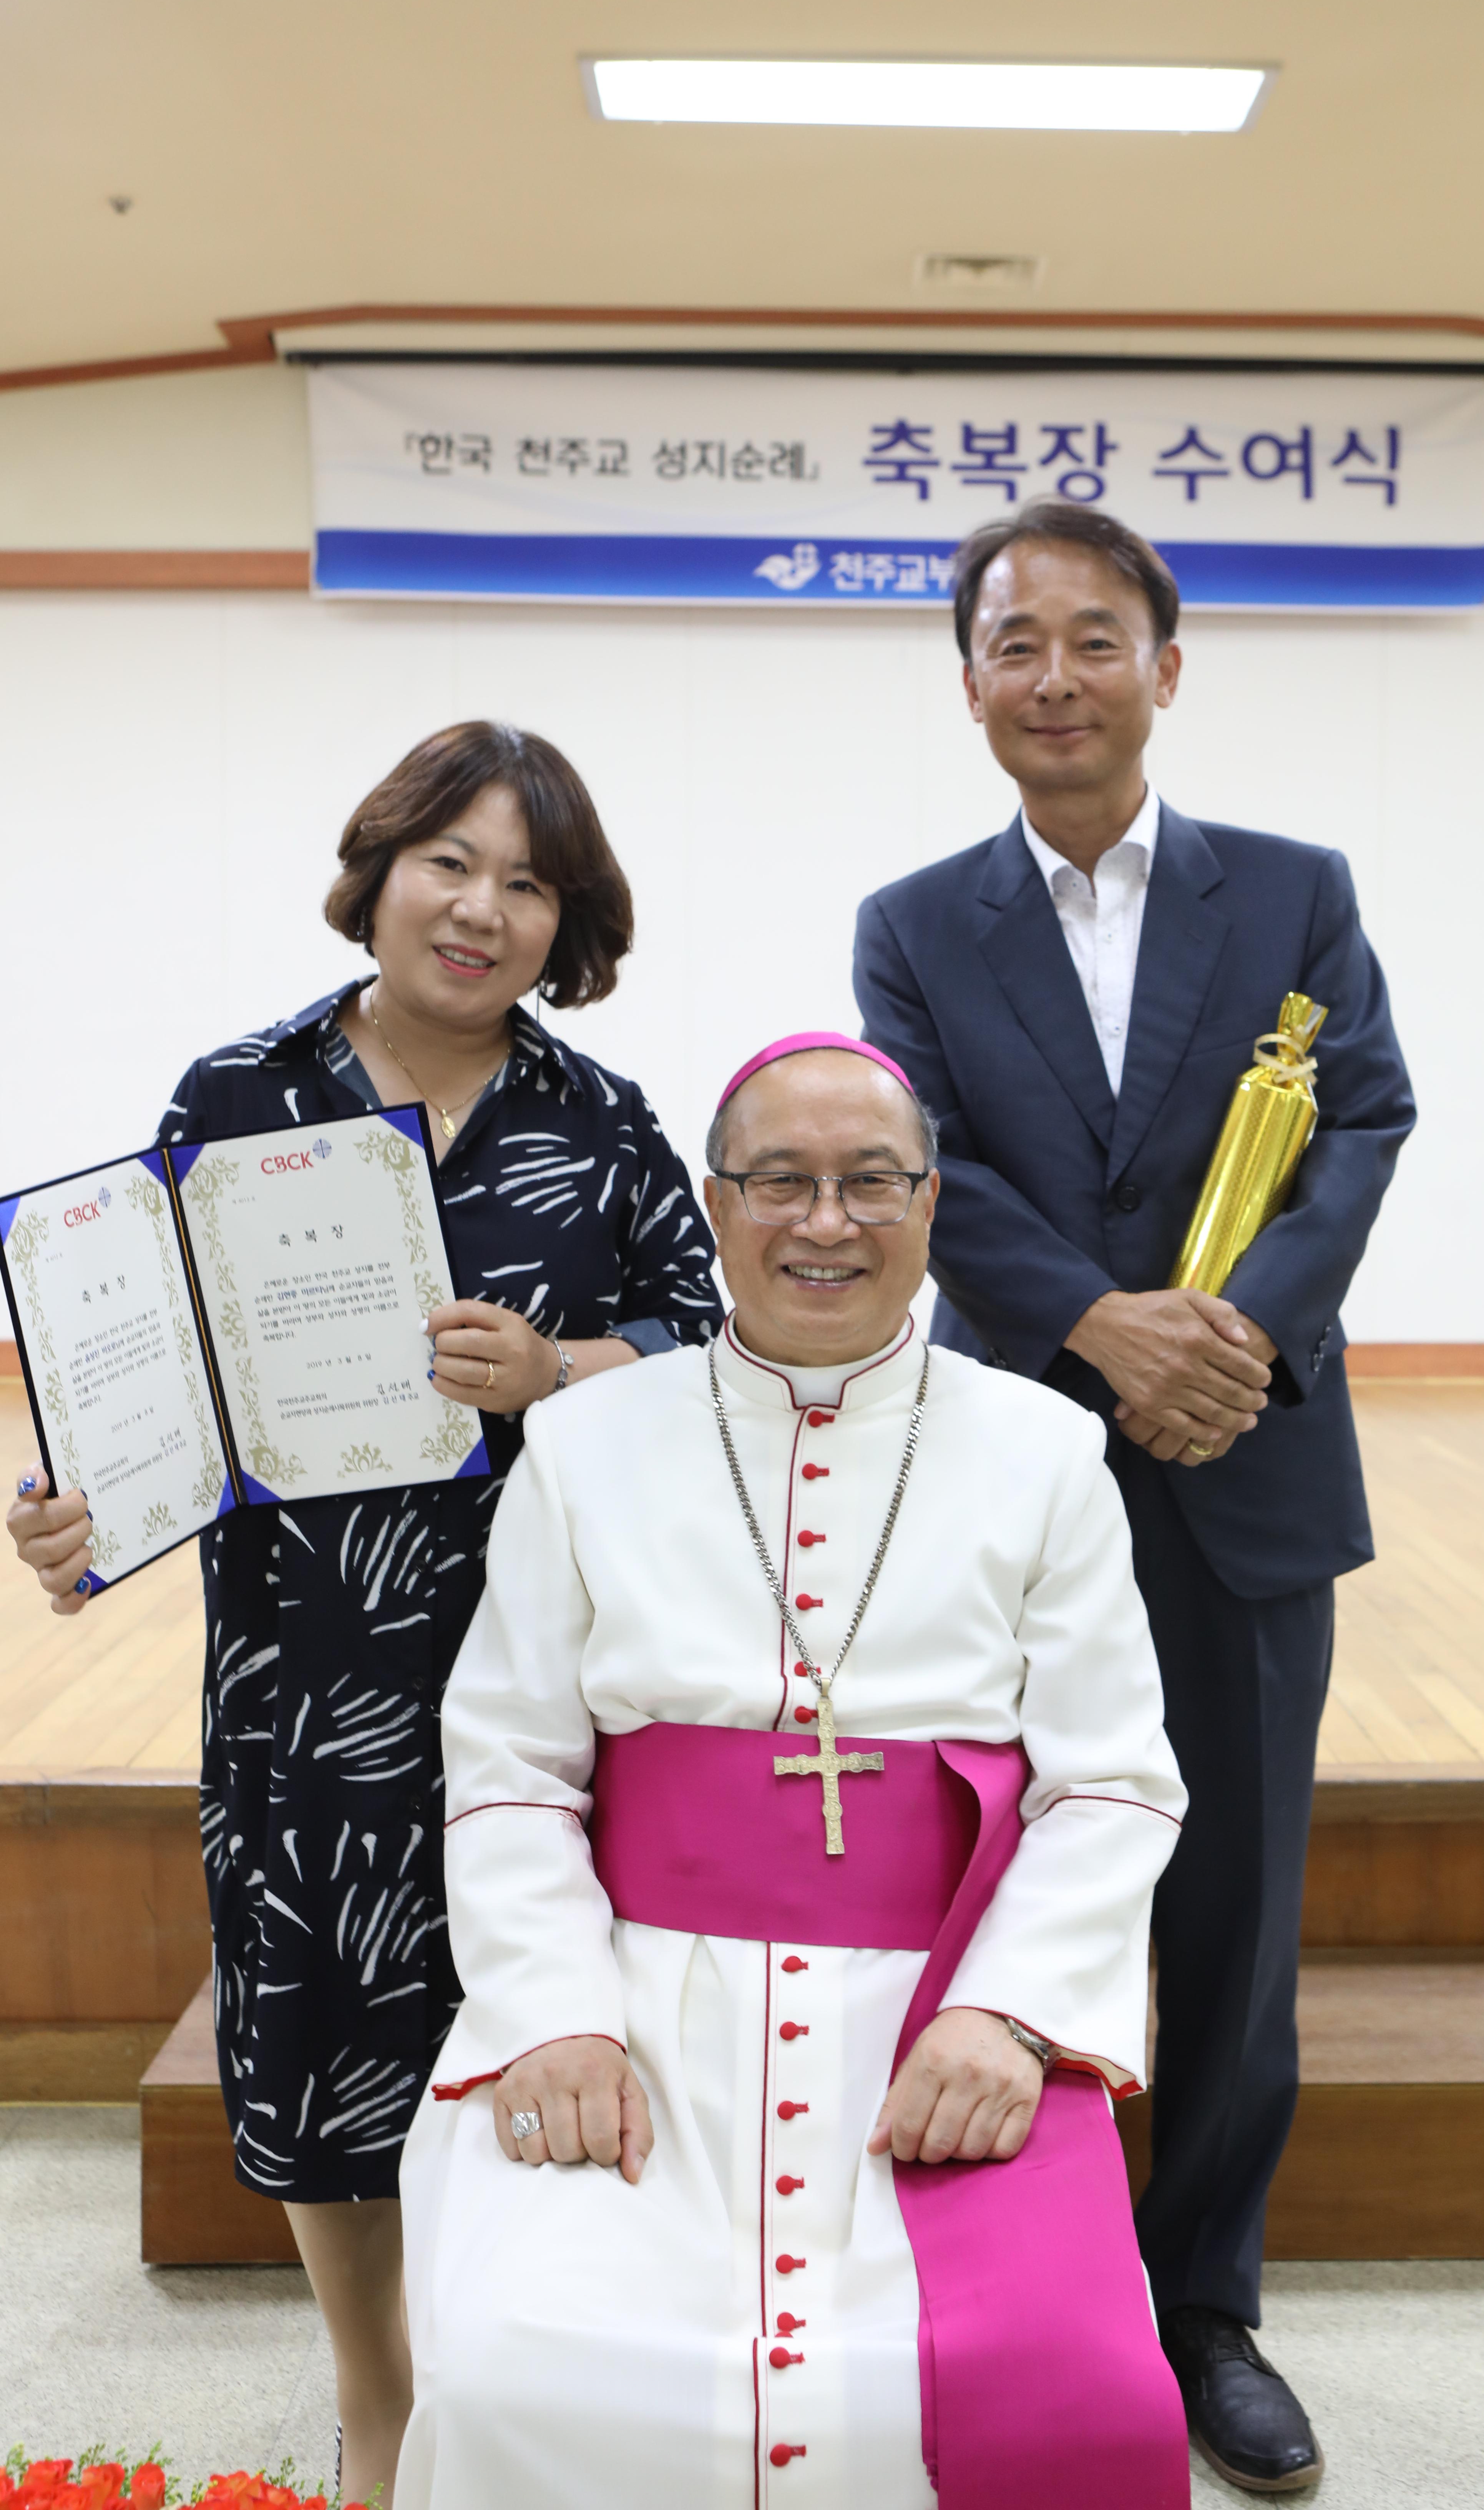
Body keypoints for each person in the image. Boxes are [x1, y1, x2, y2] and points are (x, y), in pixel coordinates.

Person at [7, 720, 722, 2510]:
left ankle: (518, 2364)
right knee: (326, 2024)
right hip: (309, 1662)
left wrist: (559, 1368)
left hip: (550, 1657)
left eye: (527, 884)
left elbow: (707, 1345)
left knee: (536, 2005)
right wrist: (81, 1510)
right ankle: (377, 2390)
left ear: (568, 924)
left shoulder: (602, 1121)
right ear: (380, 872)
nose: (480, 910)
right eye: (448, 864)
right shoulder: (238, 1094)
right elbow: (149, 1368)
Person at [393, 1033, 1192, 2510]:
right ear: (717, 1204)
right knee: (523, 2371)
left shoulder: (1047, 1451)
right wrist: (557, 2016)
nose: (828, 1222)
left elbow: (1112, 1784)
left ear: (930, 1204)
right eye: (781, 1182)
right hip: (639, 2005)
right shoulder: (580, 1442)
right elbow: (509, 1767)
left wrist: (1008, 2017)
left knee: (1070, 2386)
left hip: (936, 2013)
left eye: (872, 1182)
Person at [852, 500, 1416, 2495]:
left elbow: (1362, 1118)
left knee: (1235, 1913)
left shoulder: (1294, 892)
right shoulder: (914, 924)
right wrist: (1104, 1326)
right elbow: (925, 1163)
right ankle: (1028, 2274)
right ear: (970, 685)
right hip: (1010, 1471)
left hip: (1247, 1455)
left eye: (1095, 638)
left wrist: (1225, 1340)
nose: (1056, 676)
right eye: (1016, 643)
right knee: (1001, 1878)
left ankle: (1206, 2311)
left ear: (1166, 668)